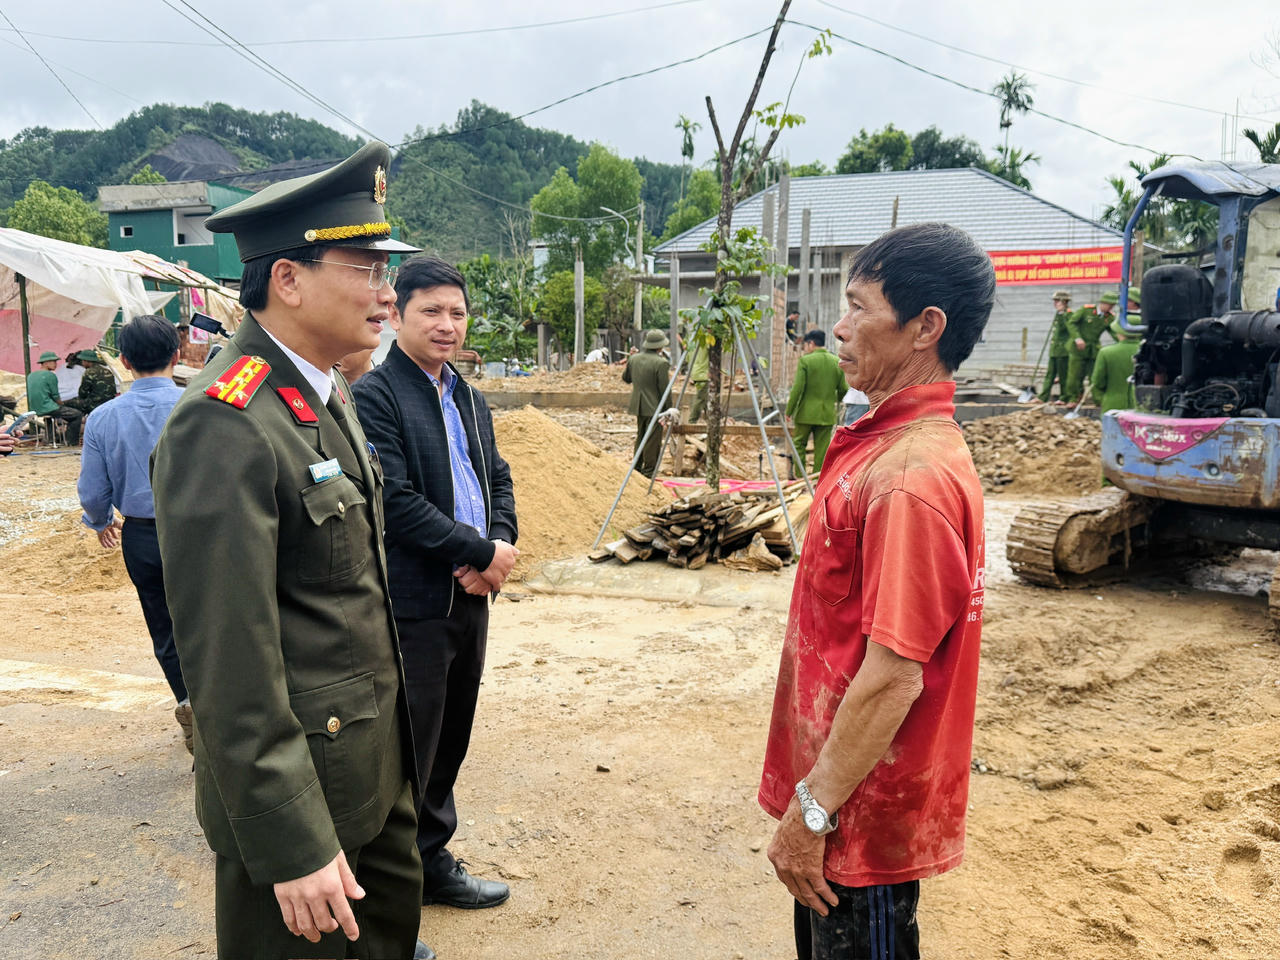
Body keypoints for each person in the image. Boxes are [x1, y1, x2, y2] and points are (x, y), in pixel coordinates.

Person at [150, 141, 433, 960]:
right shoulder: (224, 421)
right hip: (305, 802)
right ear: (288, 280)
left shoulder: (324, 388)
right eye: (367, 269)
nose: (388, 294)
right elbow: (228, 660)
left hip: (368, 770)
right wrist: (290, 839)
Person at [760, 222, 992, 960]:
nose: (840, 324)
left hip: (862, 809)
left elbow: (894, 676)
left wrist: (813, 812)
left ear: (926, 327)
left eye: (860, 305)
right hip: (845, 797)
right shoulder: (887, 448)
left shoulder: (908, 479)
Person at [353, 255, 519, 916]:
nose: (446, 325)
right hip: (414, 604)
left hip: (470, 597)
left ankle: (430, 861)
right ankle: (387, 891)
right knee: (406, 748)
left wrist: (499, 545)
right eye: (432, 311)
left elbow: (497, 478)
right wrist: (477, 549)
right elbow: (392, 498)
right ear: (397, 314)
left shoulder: (469, 397)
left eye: (456, 312)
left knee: (450, 736)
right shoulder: (376, 395)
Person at [76, 315, 191, 751]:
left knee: (164, 625)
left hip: (142, 536)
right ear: (177, 356)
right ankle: (225, 710)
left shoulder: (104, 418)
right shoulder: (198, 404)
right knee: (216, 619)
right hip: (205, 532)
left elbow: (92, 489)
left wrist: (101, 519)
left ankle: (187, 701)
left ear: (124, 361)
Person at [785, 329, 846, 478]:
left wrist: (789, 411)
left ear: (811, 343)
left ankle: (800, 477)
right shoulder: (836, 362)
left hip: (805, 413)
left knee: (799, 444)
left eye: (806, 345)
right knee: (822, 449)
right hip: (826, 414)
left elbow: (797, 389)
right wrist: (834, 400)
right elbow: (844, 388)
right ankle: (817, 480)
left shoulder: (806, 361)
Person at [622, 329, 672, 478]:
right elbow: (665, 390)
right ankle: (649, 472)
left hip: (638, 405)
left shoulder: (634, 359)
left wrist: (630, 361)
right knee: (652, 440)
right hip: (654, 406)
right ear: (660, 346)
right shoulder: (661, 363)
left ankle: (636, 467)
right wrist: (668, 410)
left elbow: (626, 378)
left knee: (641, 436)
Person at [1064, 291, 1118, 404]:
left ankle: (1098, 400)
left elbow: (1114, 332)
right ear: (1103, 303)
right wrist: (1077, 338)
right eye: (1109, 305)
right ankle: (1073, 398)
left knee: (1095, 376)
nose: (1110, 308)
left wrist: (1122, 342)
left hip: (1093, 350)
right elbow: (1071, 323)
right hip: (1078, 348)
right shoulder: (1086, 310)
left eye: (1112, 306)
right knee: (1074, 376)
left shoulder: (1109, 317)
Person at [25, 350, 83, 445]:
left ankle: (51, 439)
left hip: (35, 408)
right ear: (46, 363)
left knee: (50, 416)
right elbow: (55, 396)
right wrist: (62, 404)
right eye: (54, 362)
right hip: (48, 408)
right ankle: (71, 442)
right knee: (76, 415)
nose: (56, 364)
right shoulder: (50, 375)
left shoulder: (31, 375)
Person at [1092, 317, 1140, 415]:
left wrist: (1101, 398)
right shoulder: (1148, 352)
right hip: (1141, 407)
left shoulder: (1106, 353)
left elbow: (1098, 381)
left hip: (1112, 406)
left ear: (1119, 332)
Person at [1037, 289, 1073, 403]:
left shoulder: (1068, 314)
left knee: (1063, 376)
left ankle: (1064, 397)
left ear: (1063, 302)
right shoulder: (1058, 314)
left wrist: (1062, 313)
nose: (1055, 303)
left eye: (1057, 301)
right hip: (1055, 350)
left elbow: (1066, 328)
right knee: (1049, 375)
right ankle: (1042, 397)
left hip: (1063, 351)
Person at [66, 349, 118, 418]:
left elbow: (82, 393)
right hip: (109, 403)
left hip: (94, 404)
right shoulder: (107, 371)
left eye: (82, 361)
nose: (82, 363)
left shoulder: (89, 372)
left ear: (87, 361)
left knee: (68, 403)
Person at [688, 330, 711, 423]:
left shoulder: (692, 341)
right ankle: (692, 421)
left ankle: (709, 419)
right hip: (703, 374)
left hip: (696, 372)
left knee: (706, 397)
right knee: (700, 398)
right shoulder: (706, 340)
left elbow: (688, 358)